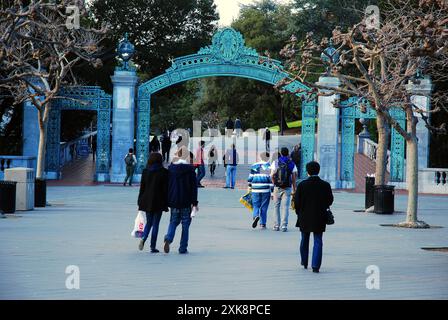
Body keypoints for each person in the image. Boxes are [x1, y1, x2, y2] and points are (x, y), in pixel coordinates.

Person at [294, 161, 334, 273]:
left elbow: (297, 202)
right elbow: (330, 201)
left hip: (304, 216)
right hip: (319, 216)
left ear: (307, 172)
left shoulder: (302, 185)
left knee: (304, 239)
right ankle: (315, 265)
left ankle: (304, 261)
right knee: (318, 240)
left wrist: (299, 212)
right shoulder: (325, 185)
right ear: (318, 170)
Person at [164, 146, 199, 254]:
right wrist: (194, 203)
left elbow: (167, 186)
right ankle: (182, 248)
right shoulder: (191, 170)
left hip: (174, 200)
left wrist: (167, 199)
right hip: (186, 201)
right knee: (185, 225)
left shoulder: (171, 169)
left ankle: (168, 238)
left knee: (173, 222)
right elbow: (194, 188)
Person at [137, 153, 169, 253]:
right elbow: (165, 189)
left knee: (149, 222)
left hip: (146, 200)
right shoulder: (164, 172)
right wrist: (166, 202)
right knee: (156, 224)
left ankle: (143, 238)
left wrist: (140, 201)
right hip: (159, 201)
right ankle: (152, 246)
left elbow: (142, 188)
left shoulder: (145, 171)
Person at [271, 147, 297, 232]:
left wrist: (274, 184)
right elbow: (293, 178)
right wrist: (294, 189)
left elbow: (272, 175)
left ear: (281, 153)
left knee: (276, 206)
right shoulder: (292, 163)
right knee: (285, 207)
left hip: (277, 187)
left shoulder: (275, 162)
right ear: (288, 153)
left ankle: (276, 225)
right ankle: (284, 225)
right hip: (287, 187)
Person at [248, 152, 273, 229]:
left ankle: (256, 216)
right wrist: (272, 192)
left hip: (255, 189)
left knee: (256, 205)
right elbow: (271, 180)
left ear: (260, 157)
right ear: (268, 158)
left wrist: (249, 187)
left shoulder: (254, 165)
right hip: (265, 189)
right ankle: (263, 224)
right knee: (264, 207)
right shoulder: (270, 166)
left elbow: (250, 179)